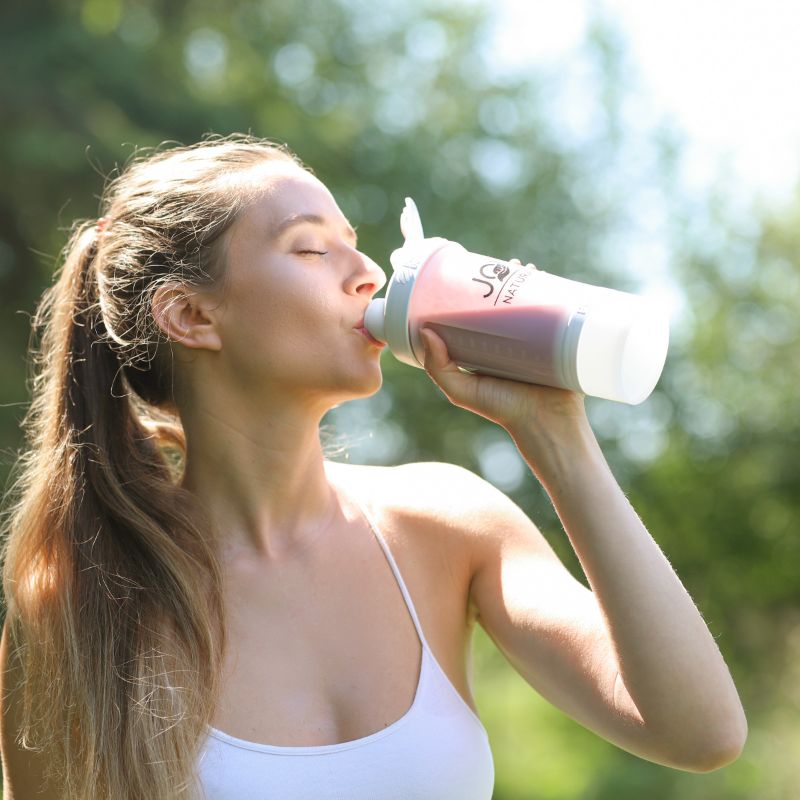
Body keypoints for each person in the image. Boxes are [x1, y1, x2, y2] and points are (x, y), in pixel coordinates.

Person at [0, 134, 747, 800]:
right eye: (311, 248)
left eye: (354, 243)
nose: (366, 273)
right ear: (191, 315)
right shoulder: (79, 606)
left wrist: (555, 433)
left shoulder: (445, 523)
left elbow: (700, 734)